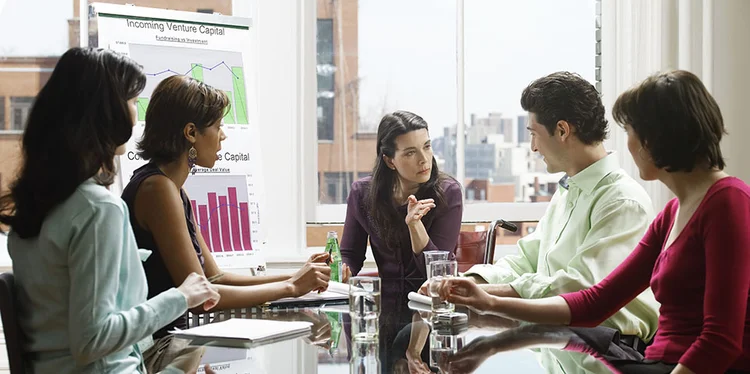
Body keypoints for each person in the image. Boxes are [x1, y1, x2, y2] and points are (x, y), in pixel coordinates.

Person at [438, 70, 750, 374]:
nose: (627, 144)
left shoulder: (728, 201)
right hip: (653, 363)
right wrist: (487, 301)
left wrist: (492, 301)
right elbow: (593, 303)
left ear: (658, 137)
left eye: (630, 132)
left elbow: (719, 341)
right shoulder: (670, 214)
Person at [0, 48, 220, 374]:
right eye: (132, 101)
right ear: (106, 114)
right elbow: (93, 339)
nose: (135, 114)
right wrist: (180, 297)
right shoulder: (98, 210)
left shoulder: (35, 212)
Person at [423, 71, 660, 346]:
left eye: (534, 134)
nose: (533, 148)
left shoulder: (621, 202)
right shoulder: (568, 191)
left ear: (562, 130)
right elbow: (526, 260)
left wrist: (483, 294)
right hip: (560, 345)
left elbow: (576, 288)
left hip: (607, 354)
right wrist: (467, 280)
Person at [121, 75, 332, 348]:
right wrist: (291, 288)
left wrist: (297, 275)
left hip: (175, 343)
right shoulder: (158, 189)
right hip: (155, 349)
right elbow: (200, 299)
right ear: (191, 133)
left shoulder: (172, 189)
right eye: (218, 126)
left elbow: (215, 278)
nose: (223, 135)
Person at [340, 110, 463, 279]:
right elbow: (350, 255)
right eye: (410, 153)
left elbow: (439, 272)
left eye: (426, 146)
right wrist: (341, 270)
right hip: (382, 302)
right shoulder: (361, 193)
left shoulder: (448, 192)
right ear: (390, 160)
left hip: (430, 301)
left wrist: (415, 226)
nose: (424, 159)